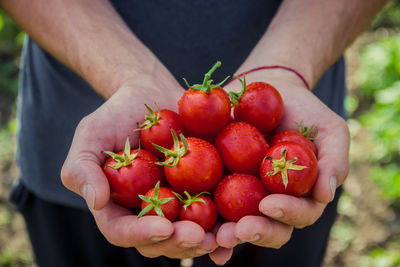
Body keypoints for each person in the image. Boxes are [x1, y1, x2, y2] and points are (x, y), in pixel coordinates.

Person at [1, 0, 385, 266]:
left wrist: (289, 67)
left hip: (288, 149)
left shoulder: (281, 157)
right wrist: (126, 76)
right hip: (81, 129)